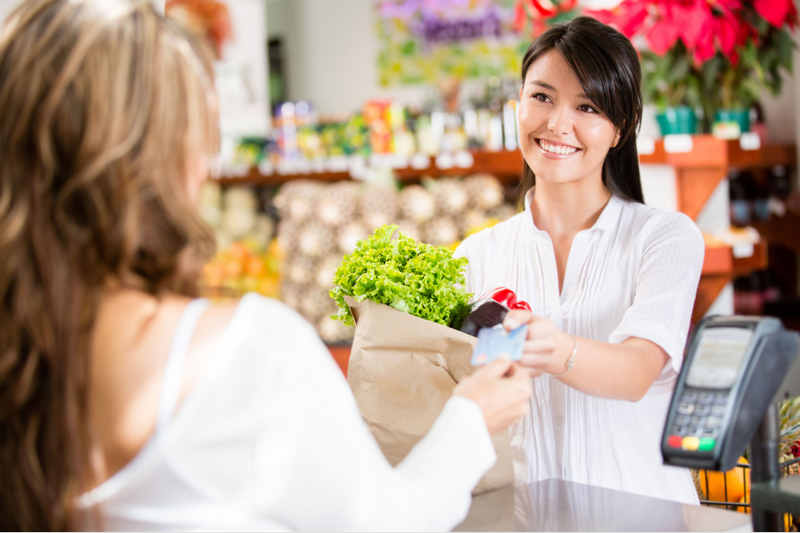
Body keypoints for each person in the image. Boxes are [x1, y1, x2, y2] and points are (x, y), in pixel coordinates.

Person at [0, 1, 533, 530]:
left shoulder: (22, 356)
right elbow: (386, 522)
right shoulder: (247, 353)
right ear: (169, 155)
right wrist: (472, 416)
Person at [455, 17, 705, 504]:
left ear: (621, 128)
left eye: (587, 106)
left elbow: (638, 371)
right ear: (519, 103)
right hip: (525, 517)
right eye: (542, 97)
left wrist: (555, 349)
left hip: (645, 515)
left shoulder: (665, 238)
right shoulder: (476, 256)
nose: (556, 124)